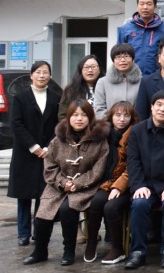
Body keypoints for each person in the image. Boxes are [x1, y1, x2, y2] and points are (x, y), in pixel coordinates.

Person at [22, 99, 109, 266]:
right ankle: (40, 251)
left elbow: (98, 170)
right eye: (75, 115)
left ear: (90, 117)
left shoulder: (99, 141)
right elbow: (50, 167)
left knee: (67, 209)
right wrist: (63, 182)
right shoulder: (57, 140)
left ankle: (68, 251)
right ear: (68, 117)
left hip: (86, 187)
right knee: (43, 214)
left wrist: (78, 183)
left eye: (84, 115)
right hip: (58, 185)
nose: (79, 118)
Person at [124, 90, 164, 269]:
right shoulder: (137, 130)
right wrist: (138, 185)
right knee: (139, 203)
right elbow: (133, 161)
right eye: (158, 105)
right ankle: (138, 252)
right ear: (151, 107)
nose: (162, 109)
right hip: (145, 184)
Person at [8, 61, 61, 247]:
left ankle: (39, 232)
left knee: (43, 195)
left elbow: (58, 125)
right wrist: (33, 146)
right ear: (31, 75)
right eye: (38, 72)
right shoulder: (20, 97)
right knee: (23, 196)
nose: (42, 75)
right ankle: (23, 233)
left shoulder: (56, 98)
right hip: (25, 153)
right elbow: (16, 124)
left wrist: (48, 147)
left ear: (50, 76)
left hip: (47, 153)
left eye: (45, 72)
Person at [84, 101, 138, 265]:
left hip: (128, 185)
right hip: (107, 182)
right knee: (96, 202)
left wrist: (119, 187)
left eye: (126, 116)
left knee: (111, 207)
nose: (122, 119)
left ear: (131, 118)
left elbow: (134, 166)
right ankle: (91, 242)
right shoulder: (103, 135)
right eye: (118, 115)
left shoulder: (136, 135)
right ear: (111, 117)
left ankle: (117, 248)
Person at [117, 0, 164, 76]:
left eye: (149, 4)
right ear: (137, 7)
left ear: (155, 7)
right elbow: (118, 54)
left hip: (157, 77)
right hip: (131, 77)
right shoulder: (125, 29)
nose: (145, 7)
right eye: (141, 4)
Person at [93, 43, 142, 118]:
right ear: (113, 60)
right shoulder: (102, 82)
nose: (123, 60)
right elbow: (99, 110)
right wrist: (113, 120)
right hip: (109, 123)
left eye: (126, 56)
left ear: (132, 59)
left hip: (136, 124)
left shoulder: (142, 82)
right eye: (118, 57)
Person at [58, 54, 103, 120]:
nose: (90, 70)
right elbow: (62, 115)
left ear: (99, 69)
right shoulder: (70, 90)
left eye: (93, 67)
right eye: (86, 67)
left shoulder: (106, 87)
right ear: (80, 70)